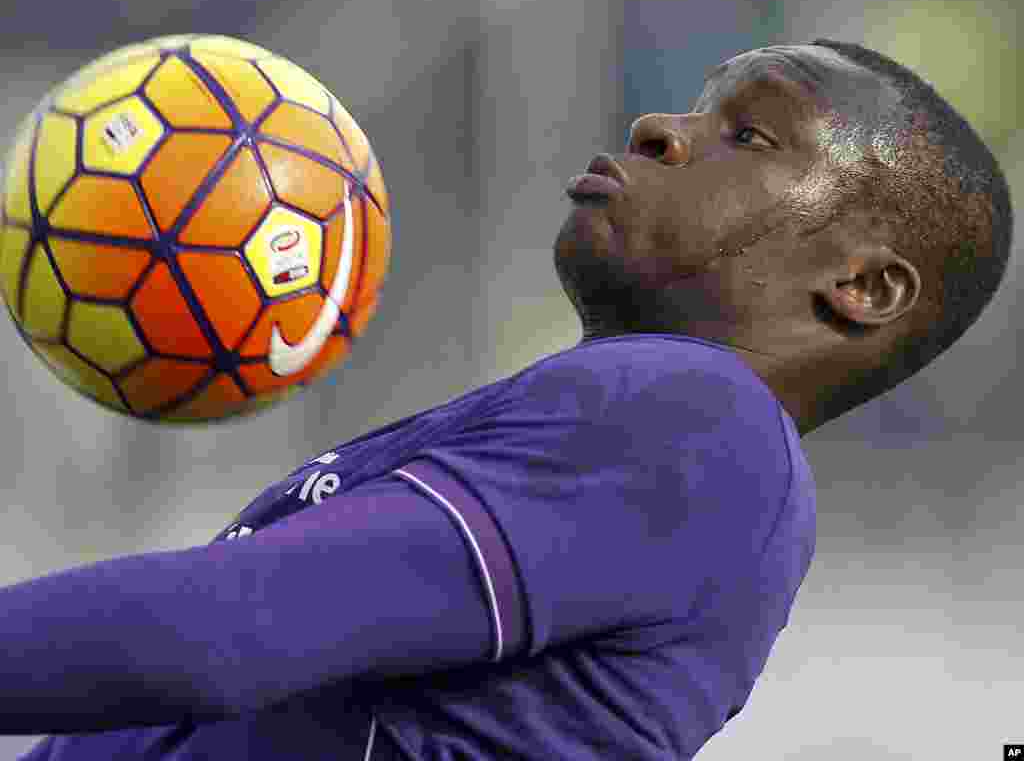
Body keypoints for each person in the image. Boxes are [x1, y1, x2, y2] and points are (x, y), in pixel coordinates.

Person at [4, 38, 1012, 760]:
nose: (661, 128)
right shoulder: (656, 429)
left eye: (749, 136)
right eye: (700, 108)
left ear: (863, 287)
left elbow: (226, 632)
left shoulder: (698, 422)